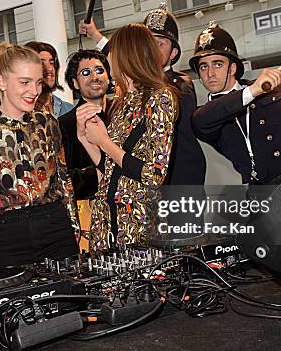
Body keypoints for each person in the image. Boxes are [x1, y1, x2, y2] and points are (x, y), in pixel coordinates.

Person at [0, 43, 79, 270]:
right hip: (7, 236)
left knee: (70, 300)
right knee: (15, 304)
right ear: (1, 82)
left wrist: (73, 229)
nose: (34, 91)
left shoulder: (48, 121)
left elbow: (63, 178)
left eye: (37, 82)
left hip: (55, 226)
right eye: (24, 82)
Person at [189, 21, 281, 185]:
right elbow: (209, 115)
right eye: (203, 67)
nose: (210, 73)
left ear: (232, 69)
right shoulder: (205, 116)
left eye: (218, 64)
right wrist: (254, 90)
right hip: (266, 196)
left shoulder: (268, 89)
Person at [76, 23, 178, 252]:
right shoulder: (121, 103)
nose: (108, 58)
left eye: (111, 52)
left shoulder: (160, 98)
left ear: (126, 55)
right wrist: (84, 138)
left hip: (138, 224)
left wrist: (103, 141)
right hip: (106, 222)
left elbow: (154, 174)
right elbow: (111, 167)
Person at [79, 3, 206, 185]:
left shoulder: (174, 87)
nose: (150, 49)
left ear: (173, 53)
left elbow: (153, 170)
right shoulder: (127, 96)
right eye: (147, 43)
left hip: (180, 182)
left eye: (159, 44)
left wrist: (103, 141)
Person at [59, 49, 111, 200]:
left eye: (99, 70)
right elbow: (64, 178)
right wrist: (101, 173)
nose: (94, 77)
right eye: (86, 73)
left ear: (108, 77)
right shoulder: (64, 124)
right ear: (75, 83)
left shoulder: (123, 113)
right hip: (90, 208)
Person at [25, 41, 74, 117]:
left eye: (51, 63)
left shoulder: (69, 110)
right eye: (41, 63)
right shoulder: (21, 112)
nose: (49, 68)